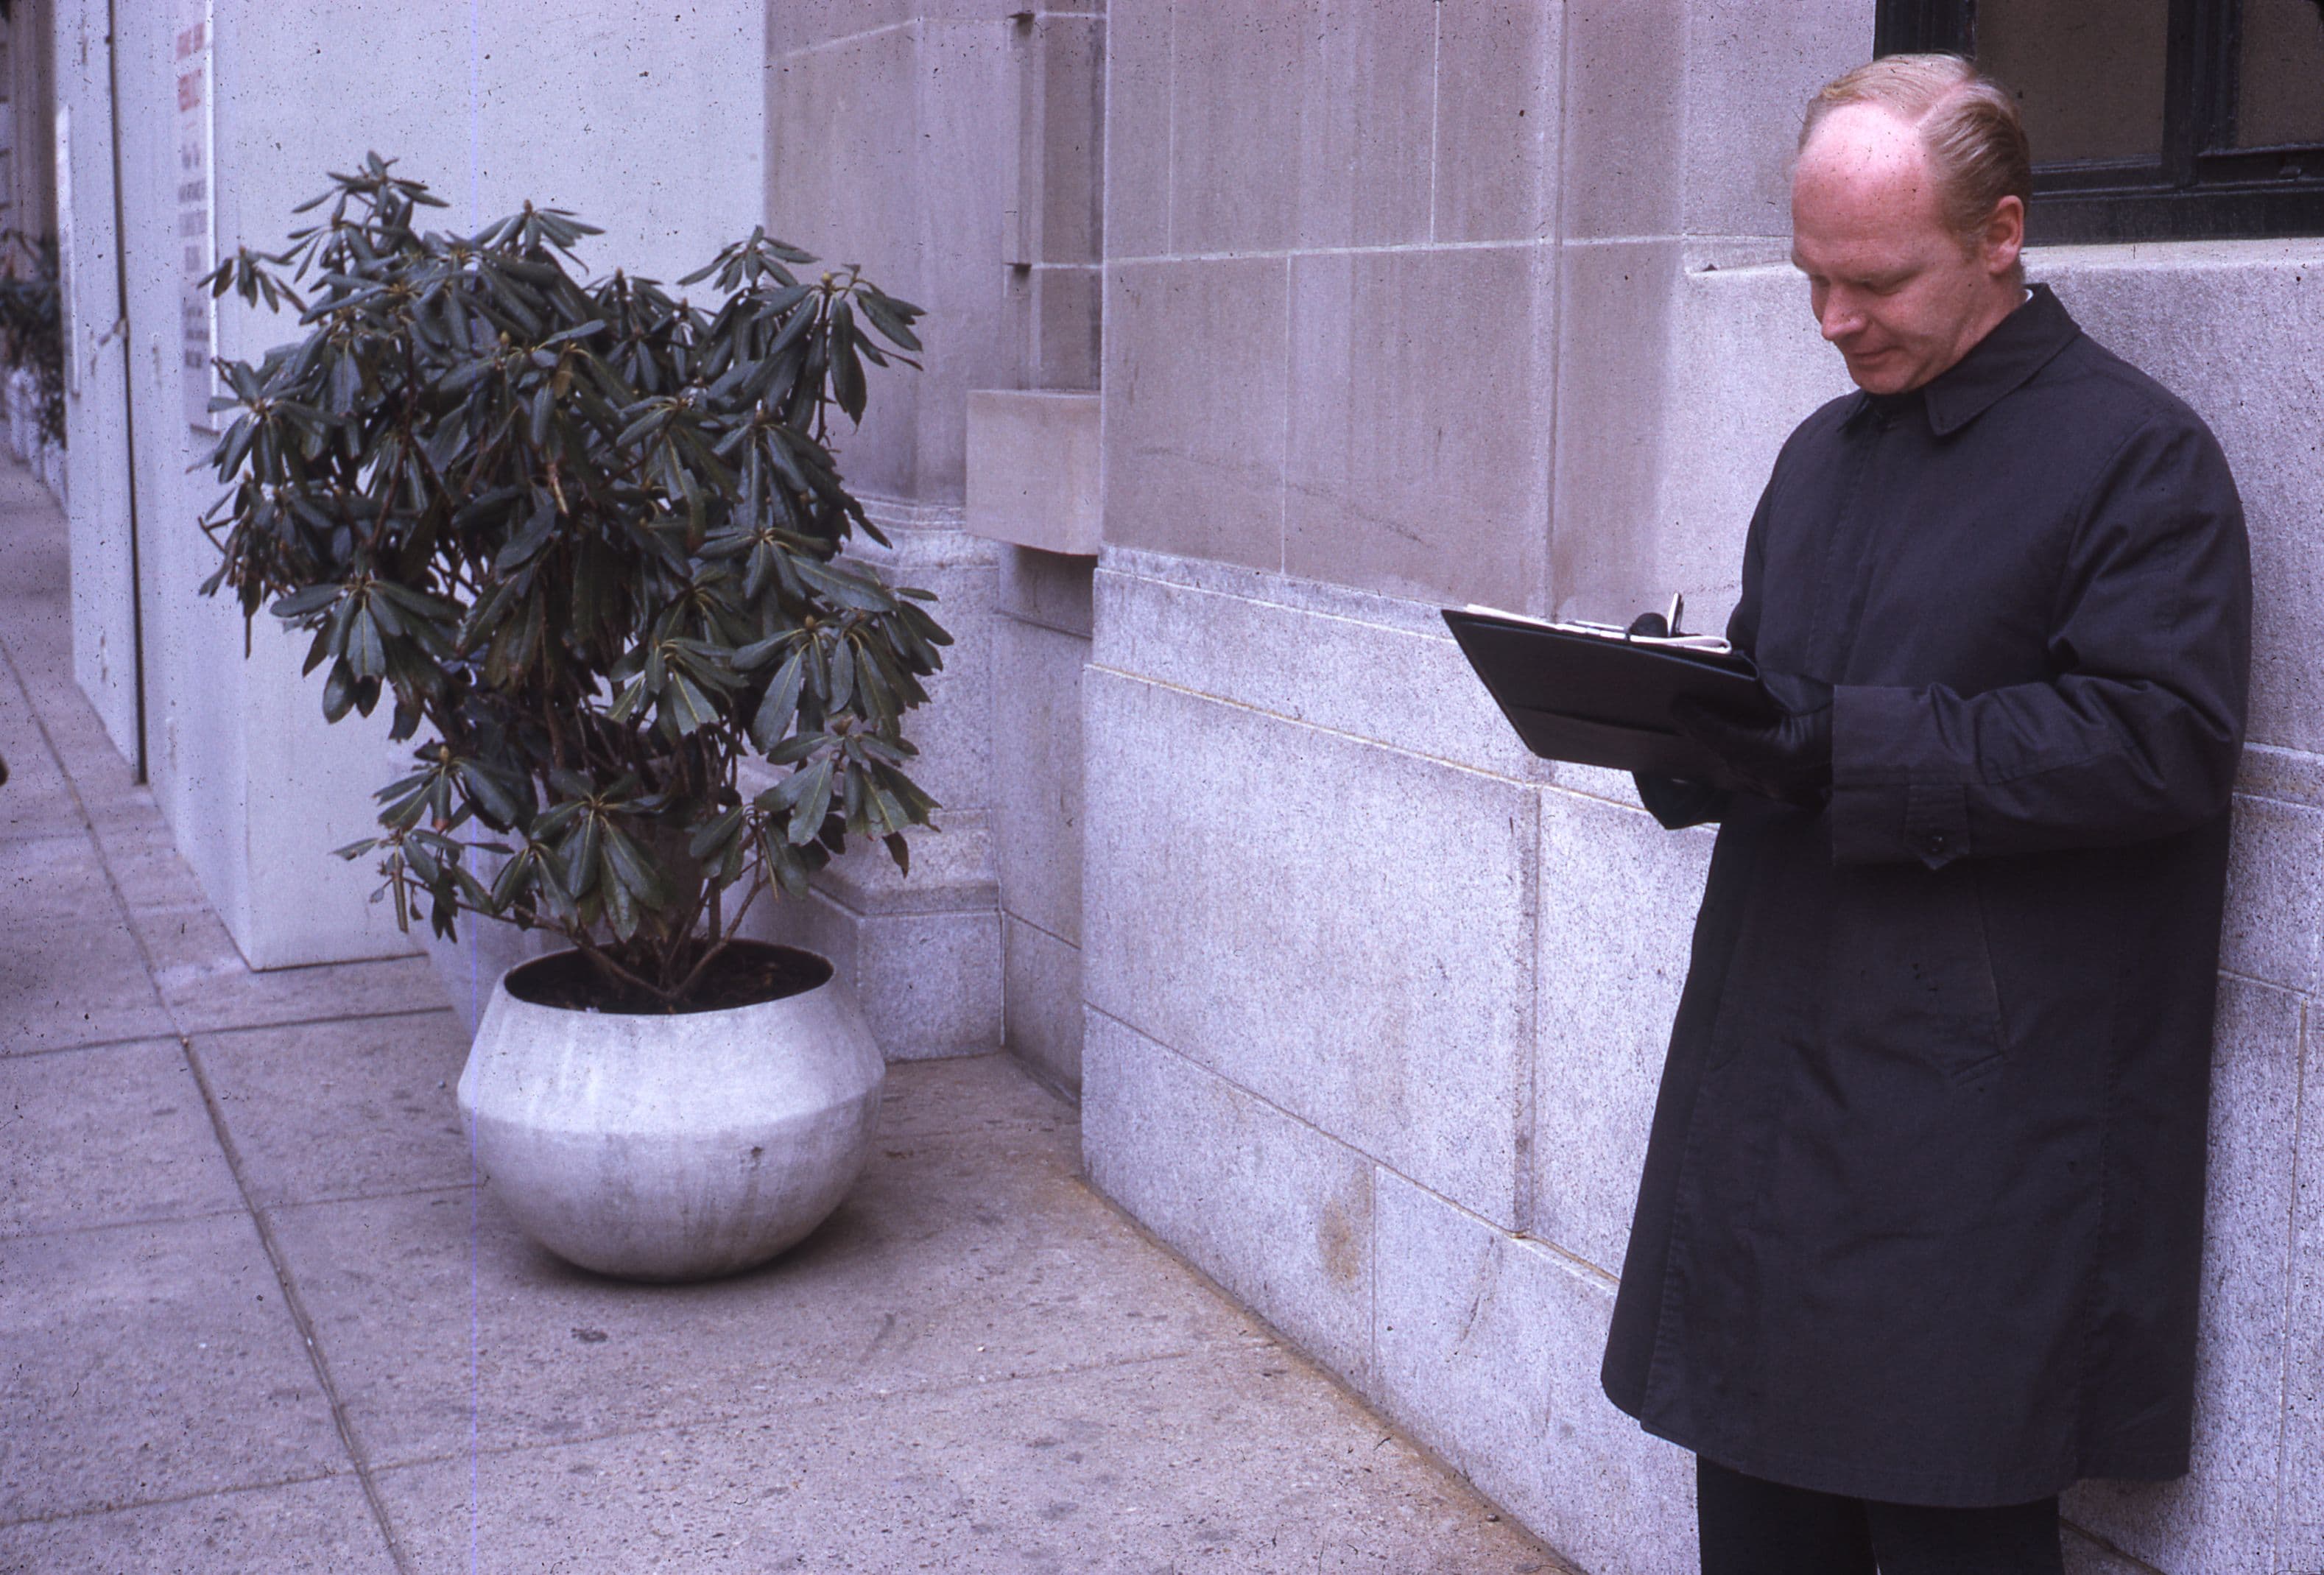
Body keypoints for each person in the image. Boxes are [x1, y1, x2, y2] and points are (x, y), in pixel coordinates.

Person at [1598, 54, 2252, 1575]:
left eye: (1875, 281)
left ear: (2001, 232)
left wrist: (1843, 741)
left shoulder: (2138, 458)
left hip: (1973, 1131)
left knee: (1955, 1521)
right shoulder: (1820, 456)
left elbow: (2159, 740)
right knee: (1756, 1530)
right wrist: (1681, 716)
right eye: (1812, 279)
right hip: (1771, 1094)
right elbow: (1786, 709)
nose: (1835, 322)